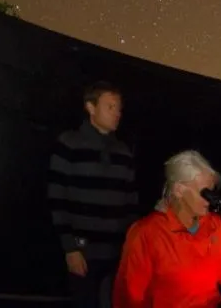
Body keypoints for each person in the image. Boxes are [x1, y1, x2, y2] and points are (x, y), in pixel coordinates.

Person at [113, 150, 221, 308]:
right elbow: (129, 298)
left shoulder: (215, 227)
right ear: (179, 190)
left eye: (212, 191)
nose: (210, 200)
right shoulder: (147, 233)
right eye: (205, 192)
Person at [48, 81, 139, 308]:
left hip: (116, 255)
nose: (117, 113)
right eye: (110, 107)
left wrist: (130, 249)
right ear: (90, 107)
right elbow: (57, 198)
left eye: (119, 108)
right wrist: (70, 248)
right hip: (83, 253)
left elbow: (131, 204)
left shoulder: (124, 152)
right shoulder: (68, 144)